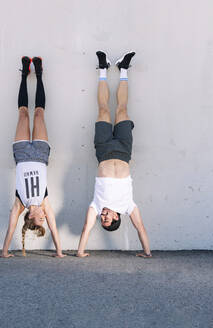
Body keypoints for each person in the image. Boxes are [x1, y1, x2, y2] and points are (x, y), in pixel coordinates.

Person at [77, 51, 152, 258]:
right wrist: (147, 253)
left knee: (102, 110)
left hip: (103, 150)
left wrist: (81, 253)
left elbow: (85, 229)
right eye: (107, 219)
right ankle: (123, 69)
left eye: (102, 219)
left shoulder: (97, 205)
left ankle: (103, 69)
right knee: (121, 110)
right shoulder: (129, 207)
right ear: (116, 218)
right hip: (123, 149)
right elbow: (141, 229)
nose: (103, 216)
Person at [1, 56, 65, 258]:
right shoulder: (45, 202)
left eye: (40, 219)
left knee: (23, 114)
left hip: (21, 155)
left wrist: (4, 252)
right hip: (40, 154)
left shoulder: (20, 204)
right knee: (38, 114)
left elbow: (11, 228)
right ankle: (38, 73)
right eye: (44, 220)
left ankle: (23, 74)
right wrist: (60, 252)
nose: (44, 217)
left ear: (30, 217)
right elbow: (54, 228)